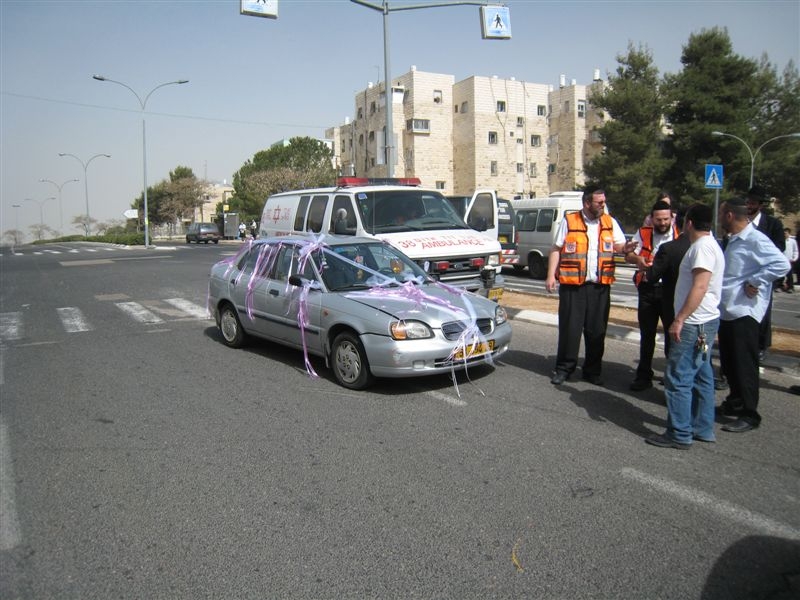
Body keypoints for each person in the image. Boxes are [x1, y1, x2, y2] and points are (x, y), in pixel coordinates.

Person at [645, 203, 724, 450]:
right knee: (702, 375)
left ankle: (679, 433)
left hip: (694, 322)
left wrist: (679, 319)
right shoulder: (711, 245)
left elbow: (699, 286)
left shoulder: (701, 248)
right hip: (704, 320)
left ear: (688, 222)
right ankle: (702, 427)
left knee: (678, 377)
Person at [716, 197, 790, 433]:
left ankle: (750, 413)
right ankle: (735, 402)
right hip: (728, 310)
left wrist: (755, 280)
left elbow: (782, 264)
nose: (719, 219)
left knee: (744, 364)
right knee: (729, 362)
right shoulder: (734, 240)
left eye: (721, 214)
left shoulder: (755, 239)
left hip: (744, 312)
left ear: (729, 216)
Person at [545, 186, 631, 386]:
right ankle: (564, 369)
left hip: (599, 287)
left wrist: (625, 248)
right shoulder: (570, 220)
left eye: (604, 202)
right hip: (573, 287)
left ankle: (592, 371)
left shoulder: (610, 222)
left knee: (596, 331)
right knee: (570, 330)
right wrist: (551, 275)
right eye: (599, 202)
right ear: (587, 203)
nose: (603, 205)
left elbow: (618, 245)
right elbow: (556, 248)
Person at [626, 199, 681, 391]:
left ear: (672, 218)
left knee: (671, 336)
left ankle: (671, 375)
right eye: (658, 220)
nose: (662, 223)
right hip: (648, 289)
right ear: (652, 219)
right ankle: (643, 375)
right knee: (647, 335)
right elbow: (628, 254)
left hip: (671, 291)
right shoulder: (643, 233)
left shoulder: (679, 235)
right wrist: (637, 259)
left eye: (666, 219)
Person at [745, 186, 785, 363]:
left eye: (753, 203)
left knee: (762, 313)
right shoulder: (742, 221)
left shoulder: (772, 224)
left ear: (760, 205)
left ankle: (761, 346)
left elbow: (779, 250)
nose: (749, 205)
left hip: (763, 277)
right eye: (748, 201)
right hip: (744, 275)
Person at [780, 228, 798, 292]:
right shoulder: (781, 240)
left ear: (789, 234)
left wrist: (794, 258)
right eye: (784, 233)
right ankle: (780, 286)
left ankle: (790, 287)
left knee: (789, 275)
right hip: (781, 260)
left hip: (789, 260)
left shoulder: (792, 241)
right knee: (780, 274)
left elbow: (795, 250)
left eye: (786, 233)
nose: (784, 235)